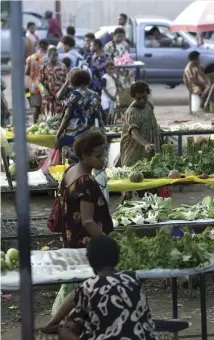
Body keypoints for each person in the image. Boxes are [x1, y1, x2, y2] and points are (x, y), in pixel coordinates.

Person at [39, 131, 113, 335]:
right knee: (85, 287)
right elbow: (88, 221)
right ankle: (60, 323)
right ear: (84, 156)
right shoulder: (85, 183)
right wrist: (106, 242)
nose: (102, 159)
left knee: (83, 287)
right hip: (86, 242)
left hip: (72, 238)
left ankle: (60, 322)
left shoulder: (71, 171)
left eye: (103, 154)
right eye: (97, 156)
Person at [56, 236, 159, 340]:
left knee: (65, 332)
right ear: (117, 258)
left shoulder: (88, 286)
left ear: (90, 260)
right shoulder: (132, 278)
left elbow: (72, 325)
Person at [55, 70, 104, 164]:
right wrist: (102, 132)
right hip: (91, 134)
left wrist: (58, 135)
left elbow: (66, 116)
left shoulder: (74, 94)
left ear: (74, 81)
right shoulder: (96, 95)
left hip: (75, 135)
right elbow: (99, 116)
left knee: (73, 160)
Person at [120, 81, 160, 167]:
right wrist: (146, 144)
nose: (142, 100)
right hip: (134, 153)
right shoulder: (131, 113)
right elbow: (134, 132)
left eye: (144, 97)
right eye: (139, 98)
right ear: (133, 97)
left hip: (148, 151)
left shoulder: (148, 106)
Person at [39, 47, 68, 117]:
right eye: (53, 55)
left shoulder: (62, 67)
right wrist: (45, 92)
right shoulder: (44, 67)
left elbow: (65, 81)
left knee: (59, 116)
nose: (55, 57)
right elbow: (40, 82)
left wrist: (63, 93)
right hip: (48, 98)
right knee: (48, 116)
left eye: (56, 55)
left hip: (59, 96)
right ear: (49, 56)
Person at [25, 39, 49, 123]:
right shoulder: (48, 58)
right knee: (46, 108)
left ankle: (34, 124)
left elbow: (26, 72)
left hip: (34, 86)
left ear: (38, 46)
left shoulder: (31, 58)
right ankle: (45, 125)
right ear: (46, 46)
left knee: (36, 107)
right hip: (46, 86)